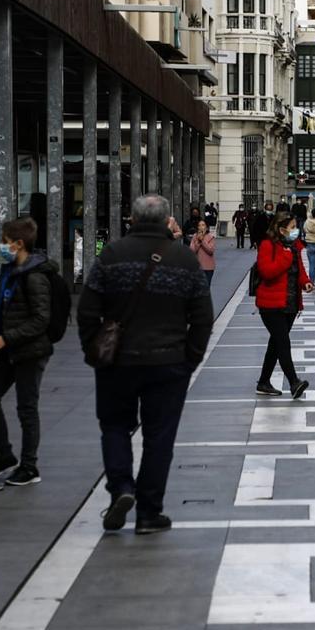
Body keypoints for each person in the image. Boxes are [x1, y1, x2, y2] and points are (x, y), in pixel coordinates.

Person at [77, 195, 214, 534]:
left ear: (133, 220)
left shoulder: (111, 254)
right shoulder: (183, 258)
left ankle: (121, 488)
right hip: (169, 361)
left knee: (114, 426)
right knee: (159, 437)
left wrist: (94, 349)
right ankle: (149, 512)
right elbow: (202, 316)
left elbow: (87, 309)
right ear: (166, 219)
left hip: (118, 362)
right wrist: (191, 358)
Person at [0, 217, 60, 487]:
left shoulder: (34, 276)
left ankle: (29, 466)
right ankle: (3, 454)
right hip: (11, 349)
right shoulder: (11, 270)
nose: (2, 246)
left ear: (19, 243)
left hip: (29, 350)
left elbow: (41, 319)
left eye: (5, 241)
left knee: (27, 407)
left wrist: (6, 338)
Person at [254, 212, 314, 398]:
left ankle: (264, 382)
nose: (296, 230)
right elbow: (267, 272)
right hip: (270, 304)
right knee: (283, 342)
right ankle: (293, 382)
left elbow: (300, 270)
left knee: (276, 343)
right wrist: (285, 258)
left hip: (290, 303)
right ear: (281, 230)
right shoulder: (267, 245)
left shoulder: (294, 246)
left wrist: (305, 282)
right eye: (293, 227)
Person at [189, 219, 216, 286]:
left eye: (203, 225)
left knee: (206, 287)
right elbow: (192, 250)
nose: (201, 227)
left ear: (206, 227)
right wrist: (198, 241)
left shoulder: (211, 237)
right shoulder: (195, 236)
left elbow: (211, 251)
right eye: (199, 225)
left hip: (208, 267)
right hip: (197, 267)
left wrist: (202, 241)